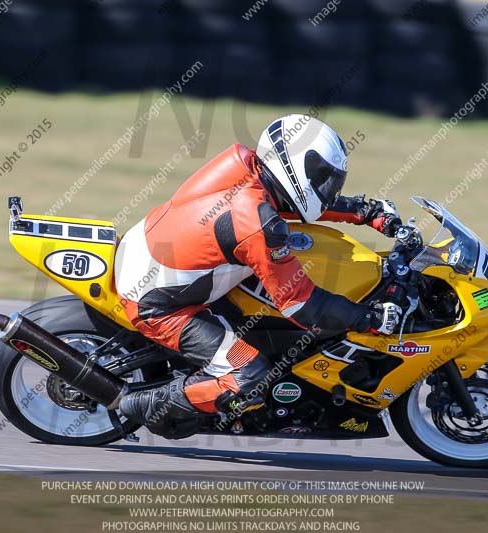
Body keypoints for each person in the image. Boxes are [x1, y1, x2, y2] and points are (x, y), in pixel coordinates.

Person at [114, 114, 404, 439]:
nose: (327, 187)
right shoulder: (256, 222)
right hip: (162, 306)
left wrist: (364, 212)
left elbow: (295, 201)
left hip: (156, 255)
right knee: (250, 374)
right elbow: (301, 304)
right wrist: (367, 317)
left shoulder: (252, 170)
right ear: (293, 167)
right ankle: (154, 403)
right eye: (321, 177)